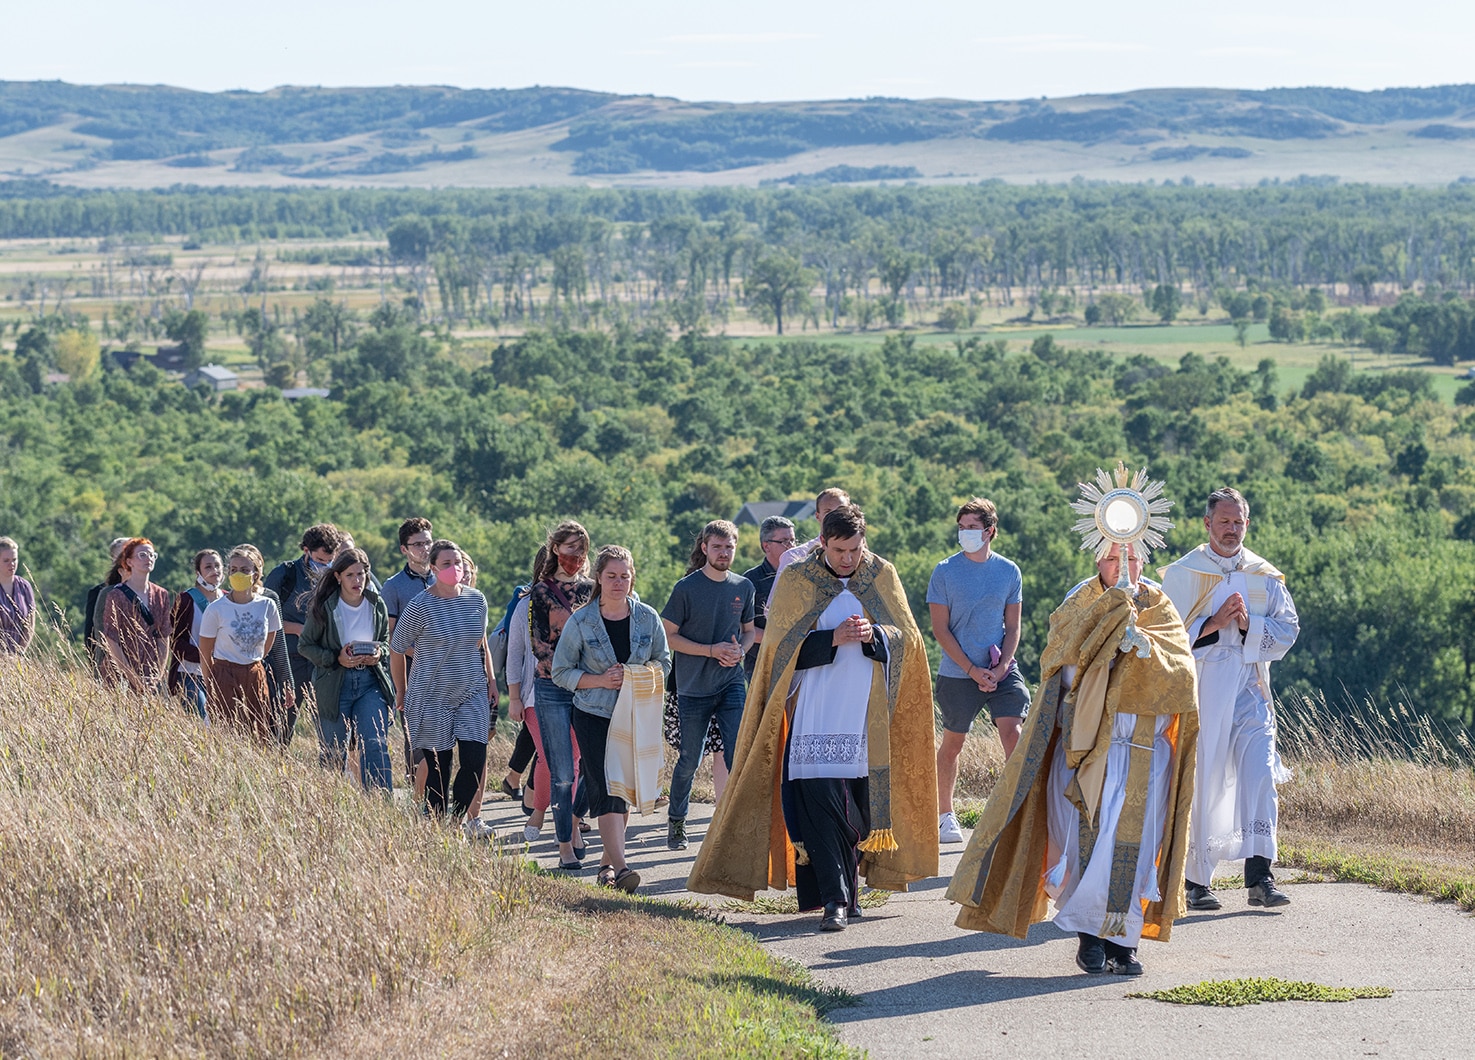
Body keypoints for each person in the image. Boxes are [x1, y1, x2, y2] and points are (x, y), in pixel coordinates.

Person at [946, 541, 1199, 976]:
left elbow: (1181, 675)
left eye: (1133, 558)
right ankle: (1089, 939)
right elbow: (1060, 664)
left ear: (1145, 562)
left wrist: (1141, 648)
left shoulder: (1159, 605)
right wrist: (1104, 643)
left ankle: (1124, 943)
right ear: (1097, 561)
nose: (1124, 566)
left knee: (1132, 853)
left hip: (1141, 752)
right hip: (1084, 750)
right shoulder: (1079, 601)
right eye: (1113, 558)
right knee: (1084, 847)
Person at [688, 504, 939, 932]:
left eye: (855, 549)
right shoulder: (798, 579)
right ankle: (835, 900)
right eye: (840, 550)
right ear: (822, 543)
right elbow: (776, 652)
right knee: (823, 806)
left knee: (859, 809)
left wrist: (876, 635)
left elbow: (910, 640)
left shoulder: (881, 574)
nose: (848, 559)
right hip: (817, 711)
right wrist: (830, 639)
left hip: (867, 715)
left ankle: (850, 892)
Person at [1161, 487, 1301, 911]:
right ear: (1207, 524)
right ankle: (1195, 880)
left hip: (1250, 683)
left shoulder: (1262, 573)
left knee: (1259, 772)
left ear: (1247, 523)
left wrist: (1246, 626)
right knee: (1204, 777)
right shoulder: (1185, 573)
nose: (1231, 529)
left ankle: (1260, 876)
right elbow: (1163, 635)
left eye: (1238, 522)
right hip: (1204, 685)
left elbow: (1288, 629)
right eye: (1223, 521)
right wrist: (1212, 623)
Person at [552, 545, 671, 891]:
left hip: (634, 714)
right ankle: (621, 867)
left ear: (632, 578)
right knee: (604, 788)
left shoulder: (647, 617)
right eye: (611, 576)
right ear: (598, 579)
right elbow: (561, 672)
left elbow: (664, 663)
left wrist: (635, 674)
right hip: (593, 714)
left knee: (623, 789)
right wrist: (601, 680)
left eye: (624, 576)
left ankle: (605, 864)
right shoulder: (581, 621)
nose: (618, 582)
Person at [927, 498, 1030, 845]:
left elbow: (1013, 627)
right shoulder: (944, 571)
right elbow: (940, 629)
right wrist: (971, 669)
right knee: (953, 744)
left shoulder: (1009, 571)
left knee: (1014, 733)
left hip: (1001, 669)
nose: (966, 533)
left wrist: (1001, 668)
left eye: (972, 527)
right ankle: (945, 815)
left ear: (990, 531)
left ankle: (1016, 811)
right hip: (958, 673)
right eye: (962, 527)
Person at [660, 519, 756, 851]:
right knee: (690, 758)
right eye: (717, 547)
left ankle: (732, 823)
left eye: (729, 547)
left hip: (730, 682)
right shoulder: (685, 588)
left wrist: (740, 650)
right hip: (692, 687)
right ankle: (677, 821)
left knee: (735, 752)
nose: (724, 553)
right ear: (704, 548)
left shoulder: (743, 586)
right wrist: (710, 650)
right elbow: (669, 636)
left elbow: (749, 630)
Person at [389, 540, 495, 820]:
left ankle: (457, 822)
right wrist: (402, 690)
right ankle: (436, 823)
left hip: (470, 690)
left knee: (475, 758)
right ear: (433, 568)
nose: (454, 568)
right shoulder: (420, 605)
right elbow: (397, 648)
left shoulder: (477, 600)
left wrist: (490, 681)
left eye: (457, 562)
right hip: (430, 694)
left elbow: (479, 644)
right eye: (446, 564)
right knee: (439, 765)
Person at [298, 547, 395, 793]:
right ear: (338, 576)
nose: (357, 581)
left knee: (374, 743)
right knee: (333, 750)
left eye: (361, 574)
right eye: (350, 575)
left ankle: (380, 804)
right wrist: (335, 657)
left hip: (370, 682)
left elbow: (385, 641)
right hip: (334, 683)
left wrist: (379, 653)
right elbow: (305, 645)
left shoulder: (376, 604)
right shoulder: (325, 607)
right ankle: (332, 805)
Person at [527, 521, 596, 870]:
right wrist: (572, 671)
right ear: (555, 549)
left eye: (581, 550)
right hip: (553, 687)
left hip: (589, 687)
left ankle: (573, 818)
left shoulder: (592, 589)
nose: (575, 556)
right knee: (563, 773)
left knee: (590, 766)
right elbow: (539, 645)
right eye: (569, 549)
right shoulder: (539, 593)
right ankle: (565, 845)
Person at [263, 522, 343, 754]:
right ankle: (275, 765)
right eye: (320, 560)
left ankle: (331, 770)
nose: (325, 565)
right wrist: (300, 629)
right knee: (282, 722)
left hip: (324, 659)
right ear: (306, 551)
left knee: (329, 722)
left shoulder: (337, 575)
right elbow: (265, 618)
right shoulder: (284, 575)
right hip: (291, 660)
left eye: (329, 560)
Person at [199, 544, 283, 744]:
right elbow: (205, 651)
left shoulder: (267, 605)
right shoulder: (216, 609)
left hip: (254, 672)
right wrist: (211, 682)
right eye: (234, 570)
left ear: (255, 574)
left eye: (245, 570)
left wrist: (254, 661)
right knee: (224, 732)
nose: (238, 574)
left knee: (257, 730)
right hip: (224, 672)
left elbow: (270, 640)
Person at [382, 517, 437, 794]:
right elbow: (390, 636)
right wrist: (420, 651)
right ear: (404, 549)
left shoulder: (445, 577)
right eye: (417, 544)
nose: (424, 549)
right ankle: (417, 791)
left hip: (448, 665)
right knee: (414, 733)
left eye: (428, 542)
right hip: (412, 664)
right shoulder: (393, 586)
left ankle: (439, 789)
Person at [99, 538, 172, 695]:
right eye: (142, 555)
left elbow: (163, 637)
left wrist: (157, 674)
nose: (149, 558)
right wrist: (132, 677)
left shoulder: (161, 595)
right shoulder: (116, 595)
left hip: (150, 674)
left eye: (152, 555)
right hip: (119, 674)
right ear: (129, 562)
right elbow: (112, 640)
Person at [767, 487, 850, 610]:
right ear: (818, 516)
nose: (835, 517)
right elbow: (773, 610)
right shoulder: (794, 557)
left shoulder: (863, 557)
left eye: (841, 511)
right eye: (828, 512)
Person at [167, 549, 222, 719]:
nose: (215, 570)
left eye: (218, 565)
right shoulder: (185, 600)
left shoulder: (228, 599)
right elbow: (174, 640)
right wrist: (204, 655)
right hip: (191, 673)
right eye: (208, 567)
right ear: (198, 573)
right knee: (202, 720)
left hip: (221, 674)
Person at [741, 515, 796, 678]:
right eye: (785, 541)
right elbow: (742, 628)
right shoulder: (750, 581)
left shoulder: (802, 577)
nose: (791, 546)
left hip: (799, 662)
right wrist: (780, 638)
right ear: (766, 546)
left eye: (793, 540)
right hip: (760, 665)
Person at [85, 537, 130, 670]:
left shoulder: (150, 593)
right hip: (109, 667)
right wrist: (96, 666)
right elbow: (91, 634)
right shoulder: (99, 592)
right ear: (113, 560)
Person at [0, 536, 37, 655]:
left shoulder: (24, 586)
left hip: (17, 657)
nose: (11, 564)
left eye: (14, 560)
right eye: (6, 560)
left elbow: (30, 624)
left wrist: (19, 652)